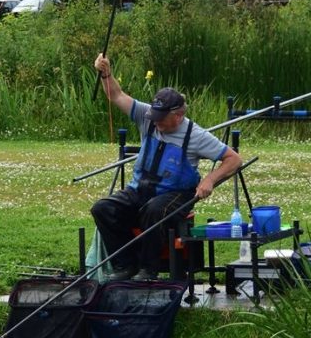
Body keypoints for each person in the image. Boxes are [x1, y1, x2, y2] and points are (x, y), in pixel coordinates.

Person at [91, 53, 242, 281]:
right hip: (139, 189)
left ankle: (148, 271)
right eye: (155, 116)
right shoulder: (147, 116)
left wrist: (209, 180)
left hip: (176, 195)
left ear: (179, 115)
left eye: (162, 118)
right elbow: (116, 95)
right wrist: (106, 73)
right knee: (102, 208)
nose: (156, 122)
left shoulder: (196, 136)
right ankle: (125, 265)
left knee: (154, 210)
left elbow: (234, 159)